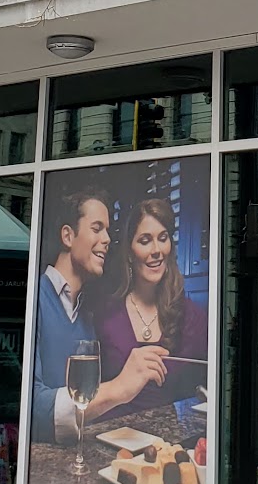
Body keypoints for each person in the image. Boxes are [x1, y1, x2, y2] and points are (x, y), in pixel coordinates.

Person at [31, 189, 168, 442]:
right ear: (68, 236)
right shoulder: (32, 299)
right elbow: (30, 407)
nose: (106, 239)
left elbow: (88, 409)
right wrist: (118, 388)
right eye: (97, 229)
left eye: (107, 231)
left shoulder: (86, 316)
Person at [96, 196, 208, 417]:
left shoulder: (192, 317)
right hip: (110, 434)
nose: (156, 250)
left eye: (163, 238)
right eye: (145, 240)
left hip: (168, 435)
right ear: (130, 253)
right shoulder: (104, 315)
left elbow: (207, 386)